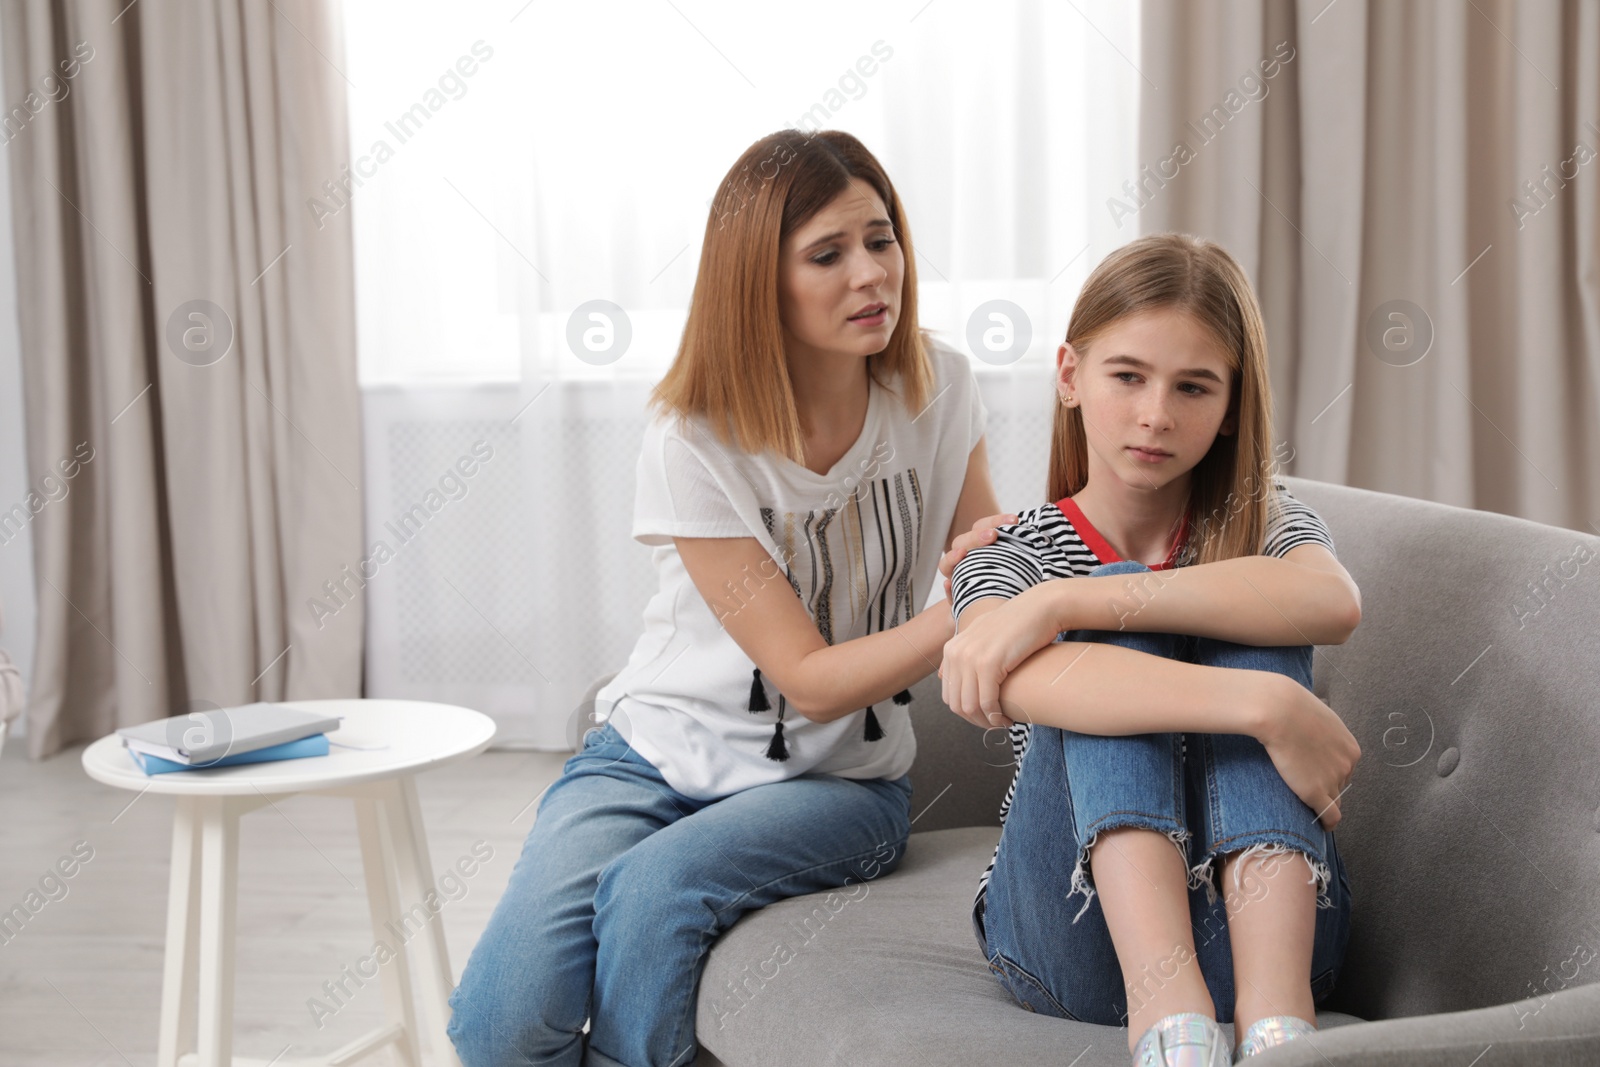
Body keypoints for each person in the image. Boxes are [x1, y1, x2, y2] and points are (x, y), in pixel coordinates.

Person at [446, 129, 1010, 1067]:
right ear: (760, 282)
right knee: (498, 1026)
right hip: (648, 759)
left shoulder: (936, 385)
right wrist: (961, 609)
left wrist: (1017, 586)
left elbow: (985, 565)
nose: (872, 273)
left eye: (882, 239)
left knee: (654, 893)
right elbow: (810, 676)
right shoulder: (694, 436)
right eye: (827, 254)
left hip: (839, 782)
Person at [938, 233, 1362, 1066]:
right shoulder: (1007, 552)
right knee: (1099, 670)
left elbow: (1332, 602)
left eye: (1193, 386)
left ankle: (1282, 1026)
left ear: (1234, 403)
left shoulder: (1263, 525)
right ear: (1069, 376)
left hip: (1268, 941)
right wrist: (1266, 705)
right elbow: (1008, 674)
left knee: (1244, 603)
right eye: (1127, 375)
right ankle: (1168, 1021)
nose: (1156, 414)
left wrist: (1067, 598)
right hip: (1077, 940)